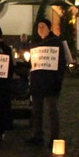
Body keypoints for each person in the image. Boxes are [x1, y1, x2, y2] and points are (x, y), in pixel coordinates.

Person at [25, 18, 67, 148]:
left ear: (49, 28)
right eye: (38, 27)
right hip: (37, 81)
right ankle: (37, 135)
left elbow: (61, 64)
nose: (40, 29)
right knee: (37, 110)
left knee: (52, 110)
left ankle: (55, 137)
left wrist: (58, 81)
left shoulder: (56, 43)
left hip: (51, 81)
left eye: (43, 26)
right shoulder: (35, 43)